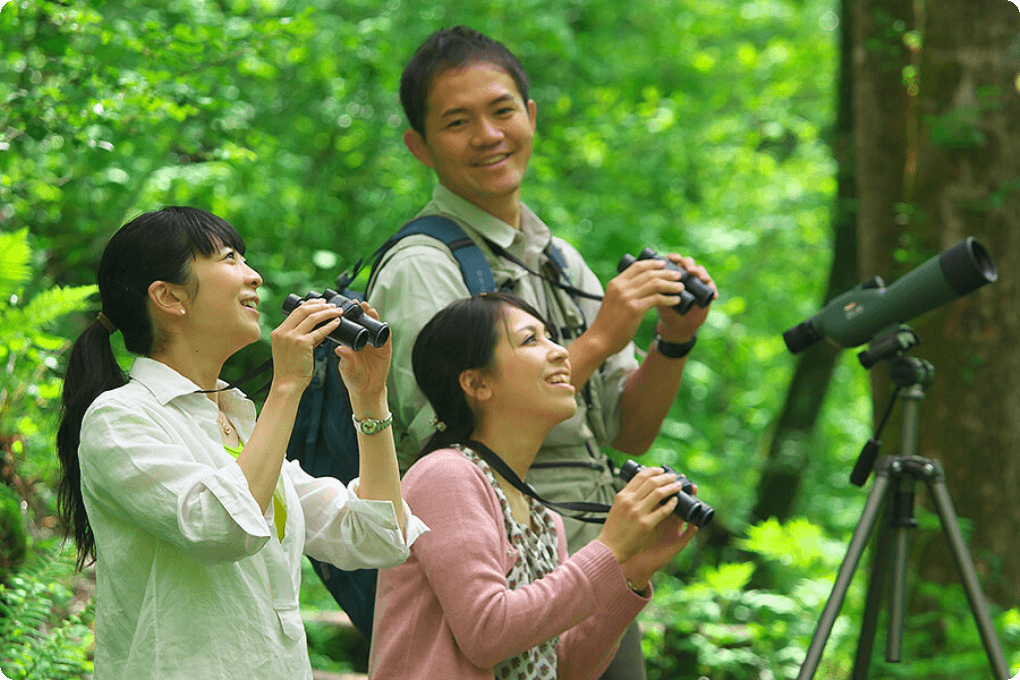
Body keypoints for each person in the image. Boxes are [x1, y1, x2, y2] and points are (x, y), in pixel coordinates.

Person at [366, 26, 715, 678]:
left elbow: (627, 431)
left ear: (530, 116)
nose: (488, 135)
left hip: (587, 548)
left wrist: (673, 340)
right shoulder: (421, 264)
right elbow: (445, 434)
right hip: (499, 558)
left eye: (502, 111)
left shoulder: (558, 258)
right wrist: (603, 336)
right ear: (420, 145)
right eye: (457, 121)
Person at [55, 206, 428, 680]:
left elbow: (376, 538)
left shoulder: (238, 423)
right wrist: (287, 386)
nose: (254, 276)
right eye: (230, 259)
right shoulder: (120, 419)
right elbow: (222, 528)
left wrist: (370, 400)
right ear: (168, 296)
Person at [369, 292, 699, 680]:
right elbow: (487, 633)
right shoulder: (446, 475)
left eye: (550, 336)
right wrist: (607, 550)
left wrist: (633, 570)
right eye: (531, 340)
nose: (560, 351)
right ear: (477, 383)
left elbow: (560, 667)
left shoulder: (542, 514)